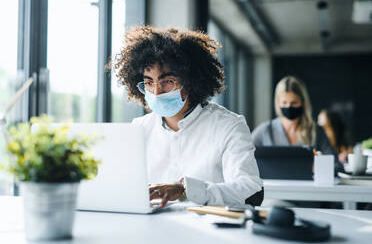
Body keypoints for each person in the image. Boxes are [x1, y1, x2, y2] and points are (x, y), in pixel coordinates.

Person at [113, 26, 263, 208]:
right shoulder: (139, 129)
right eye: (148, 82)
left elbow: (251, 191)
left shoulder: (228, 126)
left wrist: (186, 189)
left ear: (191, 81)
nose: (157, 91)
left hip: (211, 231)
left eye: (167, 81)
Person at [252, 76, 343, 173]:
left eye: (294, 103)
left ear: (303, 103)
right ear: (278, 103)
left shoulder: (315, 131)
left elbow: (337, 165)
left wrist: (319, 168)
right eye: (284, 102)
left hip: (307, 187)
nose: (289, 107)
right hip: (274, 187)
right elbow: (241, 156)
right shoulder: (265, 130)